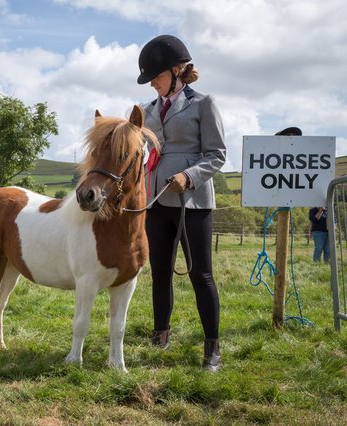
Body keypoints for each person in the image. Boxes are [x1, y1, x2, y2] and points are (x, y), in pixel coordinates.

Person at [137, 35, 227, 371]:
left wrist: (188, 176)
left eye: (156, 77)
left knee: (201, 274)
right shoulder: (146, 111)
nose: (153, 84)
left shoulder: (203, 103)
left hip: (193, 201)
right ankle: (160, 335)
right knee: (159, 273)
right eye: (150, 80)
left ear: (177, 70)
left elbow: (217, 154)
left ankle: (212, 349)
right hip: (156, 200)